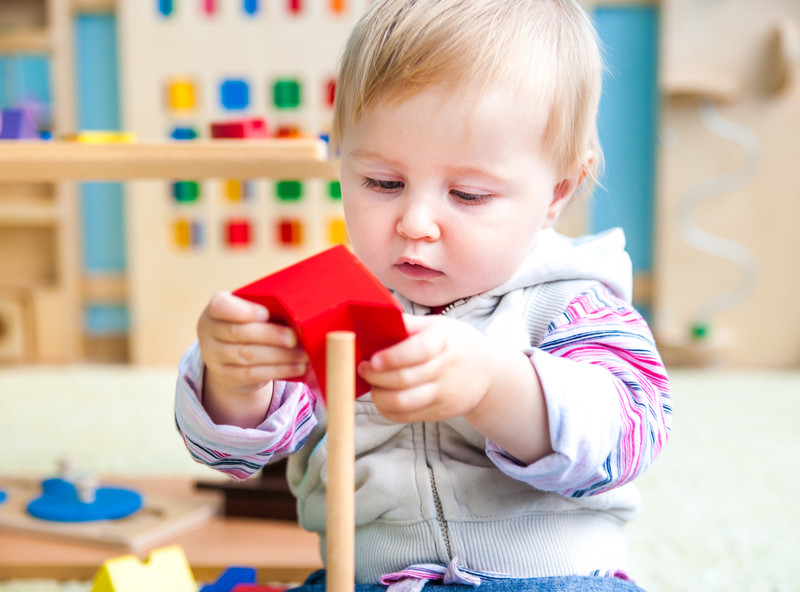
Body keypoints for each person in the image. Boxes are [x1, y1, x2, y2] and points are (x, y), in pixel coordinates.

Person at [175, 1, 672, 590]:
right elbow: (234, 457)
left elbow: (628, 436)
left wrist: (493, 384)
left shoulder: (573, 303)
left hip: (556, 578)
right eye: (382, 183)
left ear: (558, 192)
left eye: (467, 194)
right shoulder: (336, 302)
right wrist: (232, 383)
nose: (414, 222)